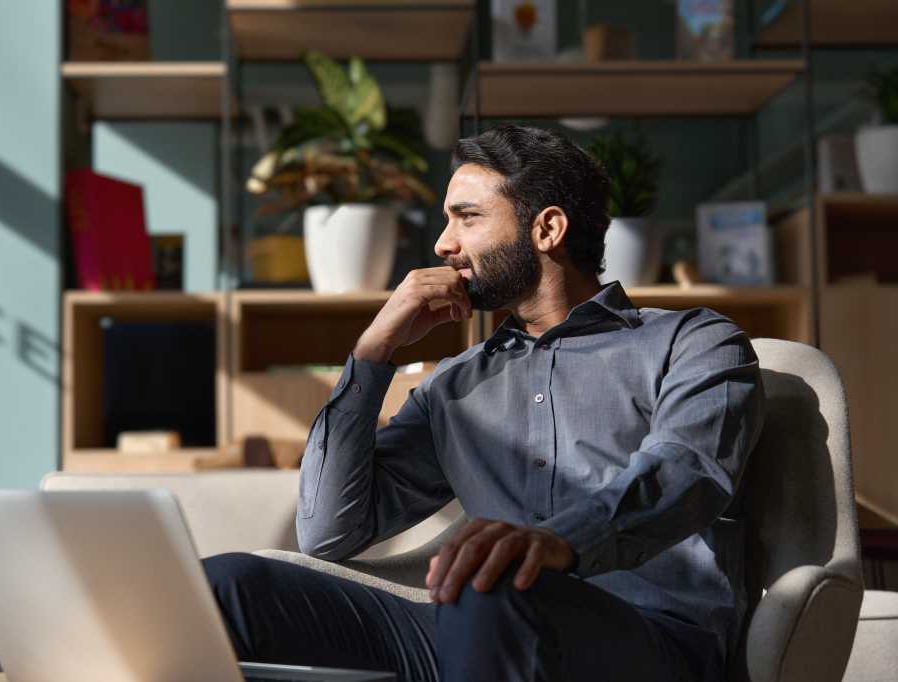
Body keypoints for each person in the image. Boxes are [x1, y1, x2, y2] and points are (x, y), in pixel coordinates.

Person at [203, 124, 766, 682]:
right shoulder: (455, 386)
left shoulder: (693, 341)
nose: (443, 244)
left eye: (467, 218)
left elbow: (687, 472)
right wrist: (374, 353)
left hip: (650, 640)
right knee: (226, 587)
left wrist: (556, 542)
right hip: (475, 624)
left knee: (494, 583)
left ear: (547, 229)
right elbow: (329, 532)